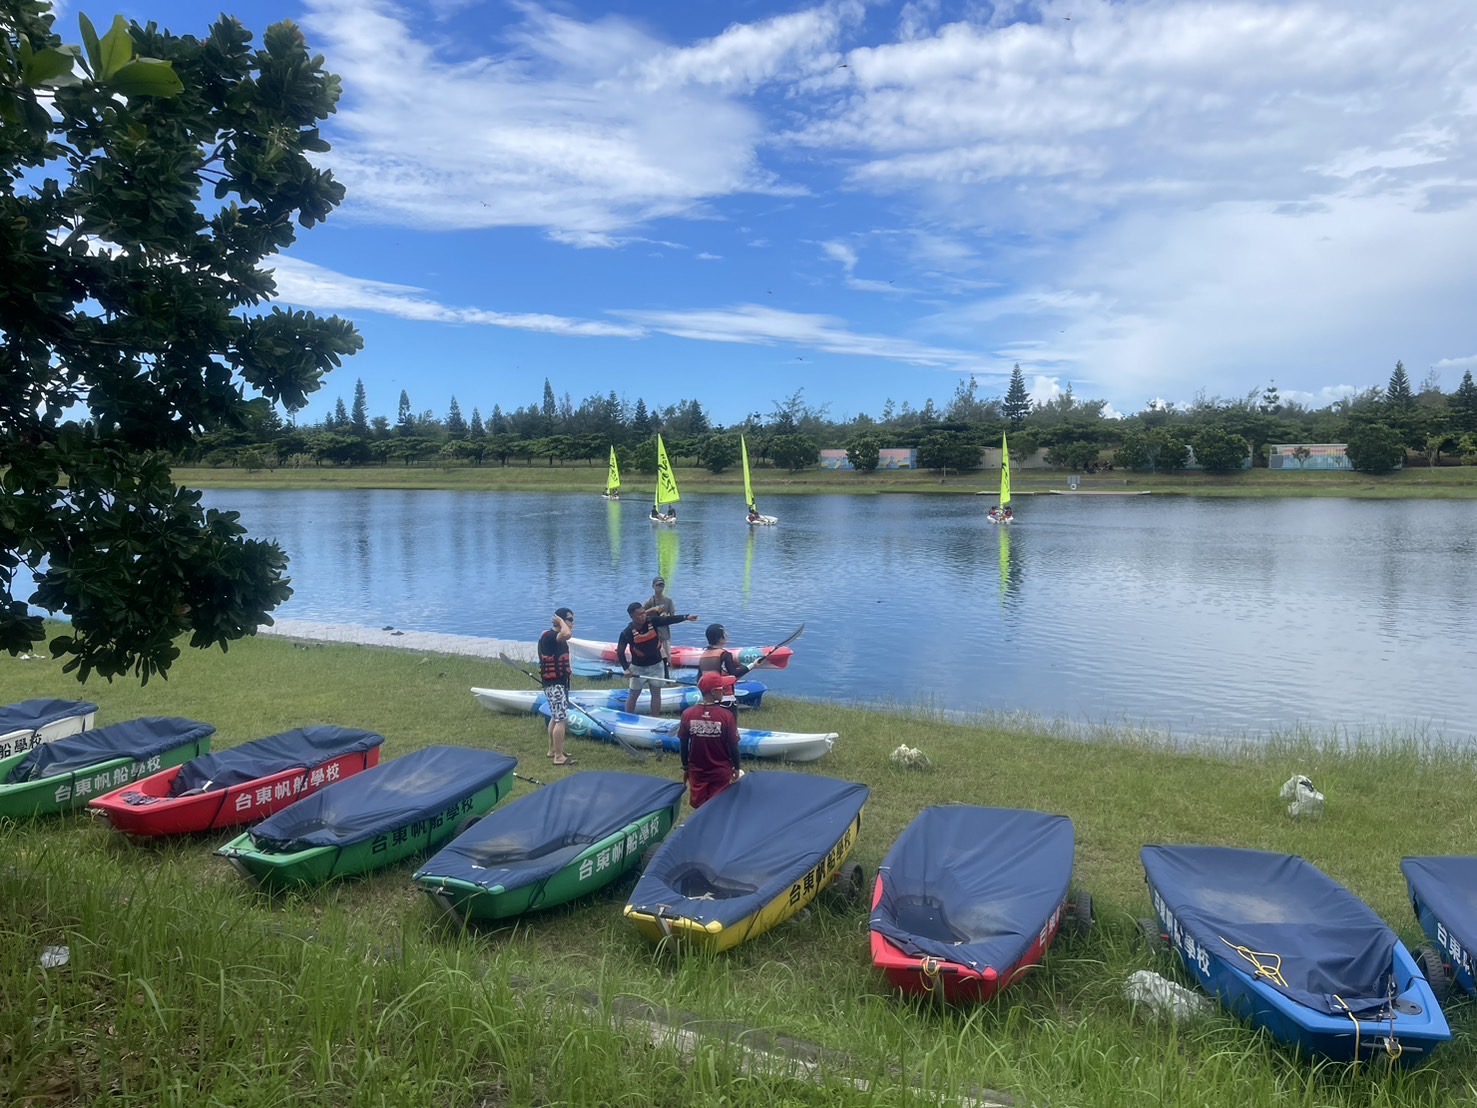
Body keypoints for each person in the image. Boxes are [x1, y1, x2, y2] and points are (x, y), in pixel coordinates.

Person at [617, 600, 697, 715]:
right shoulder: (626, 633)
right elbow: (620, 652)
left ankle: (655, 719)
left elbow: (668, 620)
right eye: (639, 614)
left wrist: (686, 617)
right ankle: (627, 717)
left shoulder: (652, 622)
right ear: (632, 616)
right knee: (633, 695)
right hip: (638, 667)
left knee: (656, 694)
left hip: (657, 666)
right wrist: (626, 669)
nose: (643, 616)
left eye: (644, 612)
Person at [679, 672, 742, 809]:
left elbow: (683, 744)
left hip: (697, 771)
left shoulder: (687, 714)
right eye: (721, 688)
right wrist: (737, 767)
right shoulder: (726, 716)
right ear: (714, 692)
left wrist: (685, 767)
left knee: (699, 807)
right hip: (720, 771)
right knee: (718, 807)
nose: (724, 691)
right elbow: (733, 746)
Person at [538, 607, 576, 766]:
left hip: (558, 683)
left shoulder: (556, 637)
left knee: (555, 717)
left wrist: (563, 622)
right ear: (560, 621)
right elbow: (567, 634)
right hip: (554, 685)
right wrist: (561, 621)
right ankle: (559, 757)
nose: (573, 623)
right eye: (570, 620)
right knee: (561, 719)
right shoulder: (550, 636)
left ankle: (553, 750)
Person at [644, 576, 676, 673]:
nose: (660, 588)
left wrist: (666, 616)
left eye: (662, 585)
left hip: (665, 633)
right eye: (657, 585)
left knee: (667, 656)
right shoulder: (650, 601)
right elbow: (641, 613)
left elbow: (673, 616)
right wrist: (653, 609)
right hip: (653, 633)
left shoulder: (668, 601)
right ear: (653, 586)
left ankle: (667, 675)